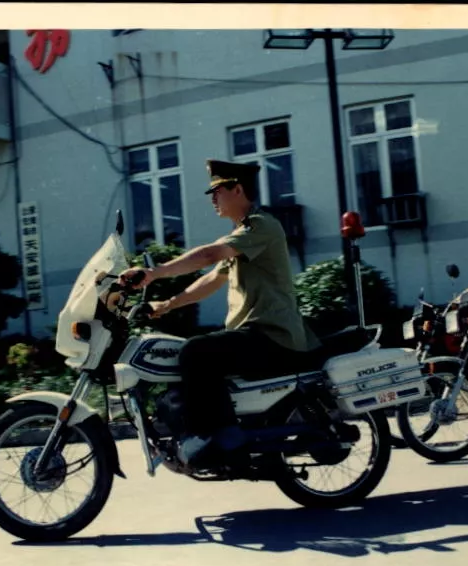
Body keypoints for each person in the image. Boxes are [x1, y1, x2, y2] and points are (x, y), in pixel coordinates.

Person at [119, 159, 320, 466]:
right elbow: (213, 278)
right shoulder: (243, 234)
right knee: (189, 354)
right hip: (256, 335)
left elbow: (209, 254)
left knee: (196, 352)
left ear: (237, 190)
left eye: (217, 191)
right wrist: (167, 305)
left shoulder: (260, 225)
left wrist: (153, 273)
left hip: (274, 336)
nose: (213, 198)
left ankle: (219, 439)